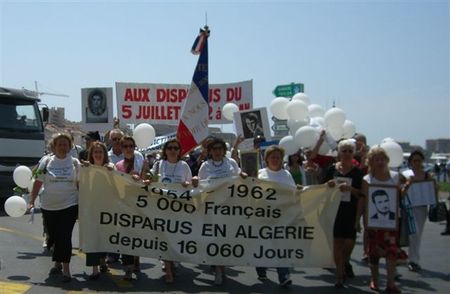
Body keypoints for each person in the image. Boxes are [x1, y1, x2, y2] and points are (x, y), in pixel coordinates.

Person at [27, 133, 80, 283]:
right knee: (54, 236)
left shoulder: (75, 163)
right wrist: (32, 201)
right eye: (60, 144)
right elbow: (37, 182)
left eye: (65, 144)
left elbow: (80, 184)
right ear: (54, 146)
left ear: (69, 146)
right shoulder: (46, 162)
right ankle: (57, 262)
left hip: (69, 205)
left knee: (64, 236)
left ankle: (66, 269)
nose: (63, 147)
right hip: (48, 207)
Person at [193, 137, 244, 285]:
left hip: (229, 208)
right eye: (214, 149)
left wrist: (243, 176)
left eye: (220, 148)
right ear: (210, 151)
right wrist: (196, 180)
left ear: (224, 150)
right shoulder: (205, 166)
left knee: (225, 240)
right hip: (211, 209)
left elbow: (240, 180)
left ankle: (219, 266)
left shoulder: (231, 163)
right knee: (215, 239)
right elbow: (200, 187)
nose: (217, 151)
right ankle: (219, 271)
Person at [358, 147, 406, 293]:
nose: (380, 162)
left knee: (391, 252)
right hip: (373, 224)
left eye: (382, 159)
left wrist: (407, 188)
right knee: (374, 254)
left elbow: (400, 196)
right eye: (376, 159)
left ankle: (390, 283)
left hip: (391, 223)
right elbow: (363, 201)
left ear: (387, 160)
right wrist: (358, 220)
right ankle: (375, 280)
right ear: (370, 162)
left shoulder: (396, 177)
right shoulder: (367, 180)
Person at [256, 145, 301, 287]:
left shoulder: (286, 175)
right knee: (262, 244)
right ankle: (261, 268)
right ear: (267, 159)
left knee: (280, 245)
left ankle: (283, 275)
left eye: (278, 157)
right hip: (262, 215)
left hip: (281, 216)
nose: (275, 160)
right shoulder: (259, 174)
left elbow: (293, 193)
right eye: (273, 157)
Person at [149, 139, 192, 283]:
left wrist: (188, 184)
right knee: (164, 239)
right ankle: (168, 272)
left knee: (175, 239)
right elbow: (151, 182)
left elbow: (192, 187)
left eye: (175, 148)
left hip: (179, 210)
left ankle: (172, 263)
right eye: (170, 148)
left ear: (179, 151)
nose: (173, 150)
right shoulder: (158, 165)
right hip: (161, 209)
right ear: (165, 151)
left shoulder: (184, 166)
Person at [323, 139, 364, 288]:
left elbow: (362, 194)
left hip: (351, 211)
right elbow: (322, 187)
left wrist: (351, 189)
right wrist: (329, 185)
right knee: (337, 242)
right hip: (335, 210)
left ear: (353, 154)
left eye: (350, 151)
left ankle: (344, 262)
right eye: (344, 151)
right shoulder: (332, 169)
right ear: (339, 153)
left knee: (349, 243)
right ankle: (339, 275)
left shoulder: (358, 172)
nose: (346, 154)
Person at [115, 135, 149, 281]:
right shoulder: (118, 166)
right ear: (121, 149)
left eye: (131, 146)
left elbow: (149, 182)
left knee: (137, 235)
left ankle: (136, 259)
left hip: (140, 204)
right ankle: (128, 267)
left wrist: (142, 177)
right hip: (124, 205)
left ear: (135, 148)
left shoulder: (143, 163)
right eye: (125, 146)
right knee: (126, 236)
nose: (129, 149)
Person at [82, 141, 114, 280]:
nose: (98, 154)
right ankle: (94, 269)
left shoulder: (110, 167)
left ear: (105, 154)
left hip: (106, 208)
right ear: (92, 154)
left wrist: (110, 171)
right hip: (90, 209)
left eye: (100, 152)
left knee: (103, 237)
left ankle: (102, 260)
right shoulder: (86, 168)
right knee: (92, 238)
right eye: (95, 152)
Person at [402, 150, 434, 271]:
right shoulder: (405, 175)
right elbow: (401, 192)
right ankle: (412, 259)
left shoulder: (427, 175)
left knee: (418, 234)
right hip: (409, 207)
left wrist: (434, 187)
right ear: (411, 162)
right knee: (413, 233)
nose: (416, 163)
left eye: (419, 160)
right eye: (414, 160)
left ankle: (414, 259)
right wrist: (408, 184)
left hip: (422, 207)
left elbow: (432, 191)